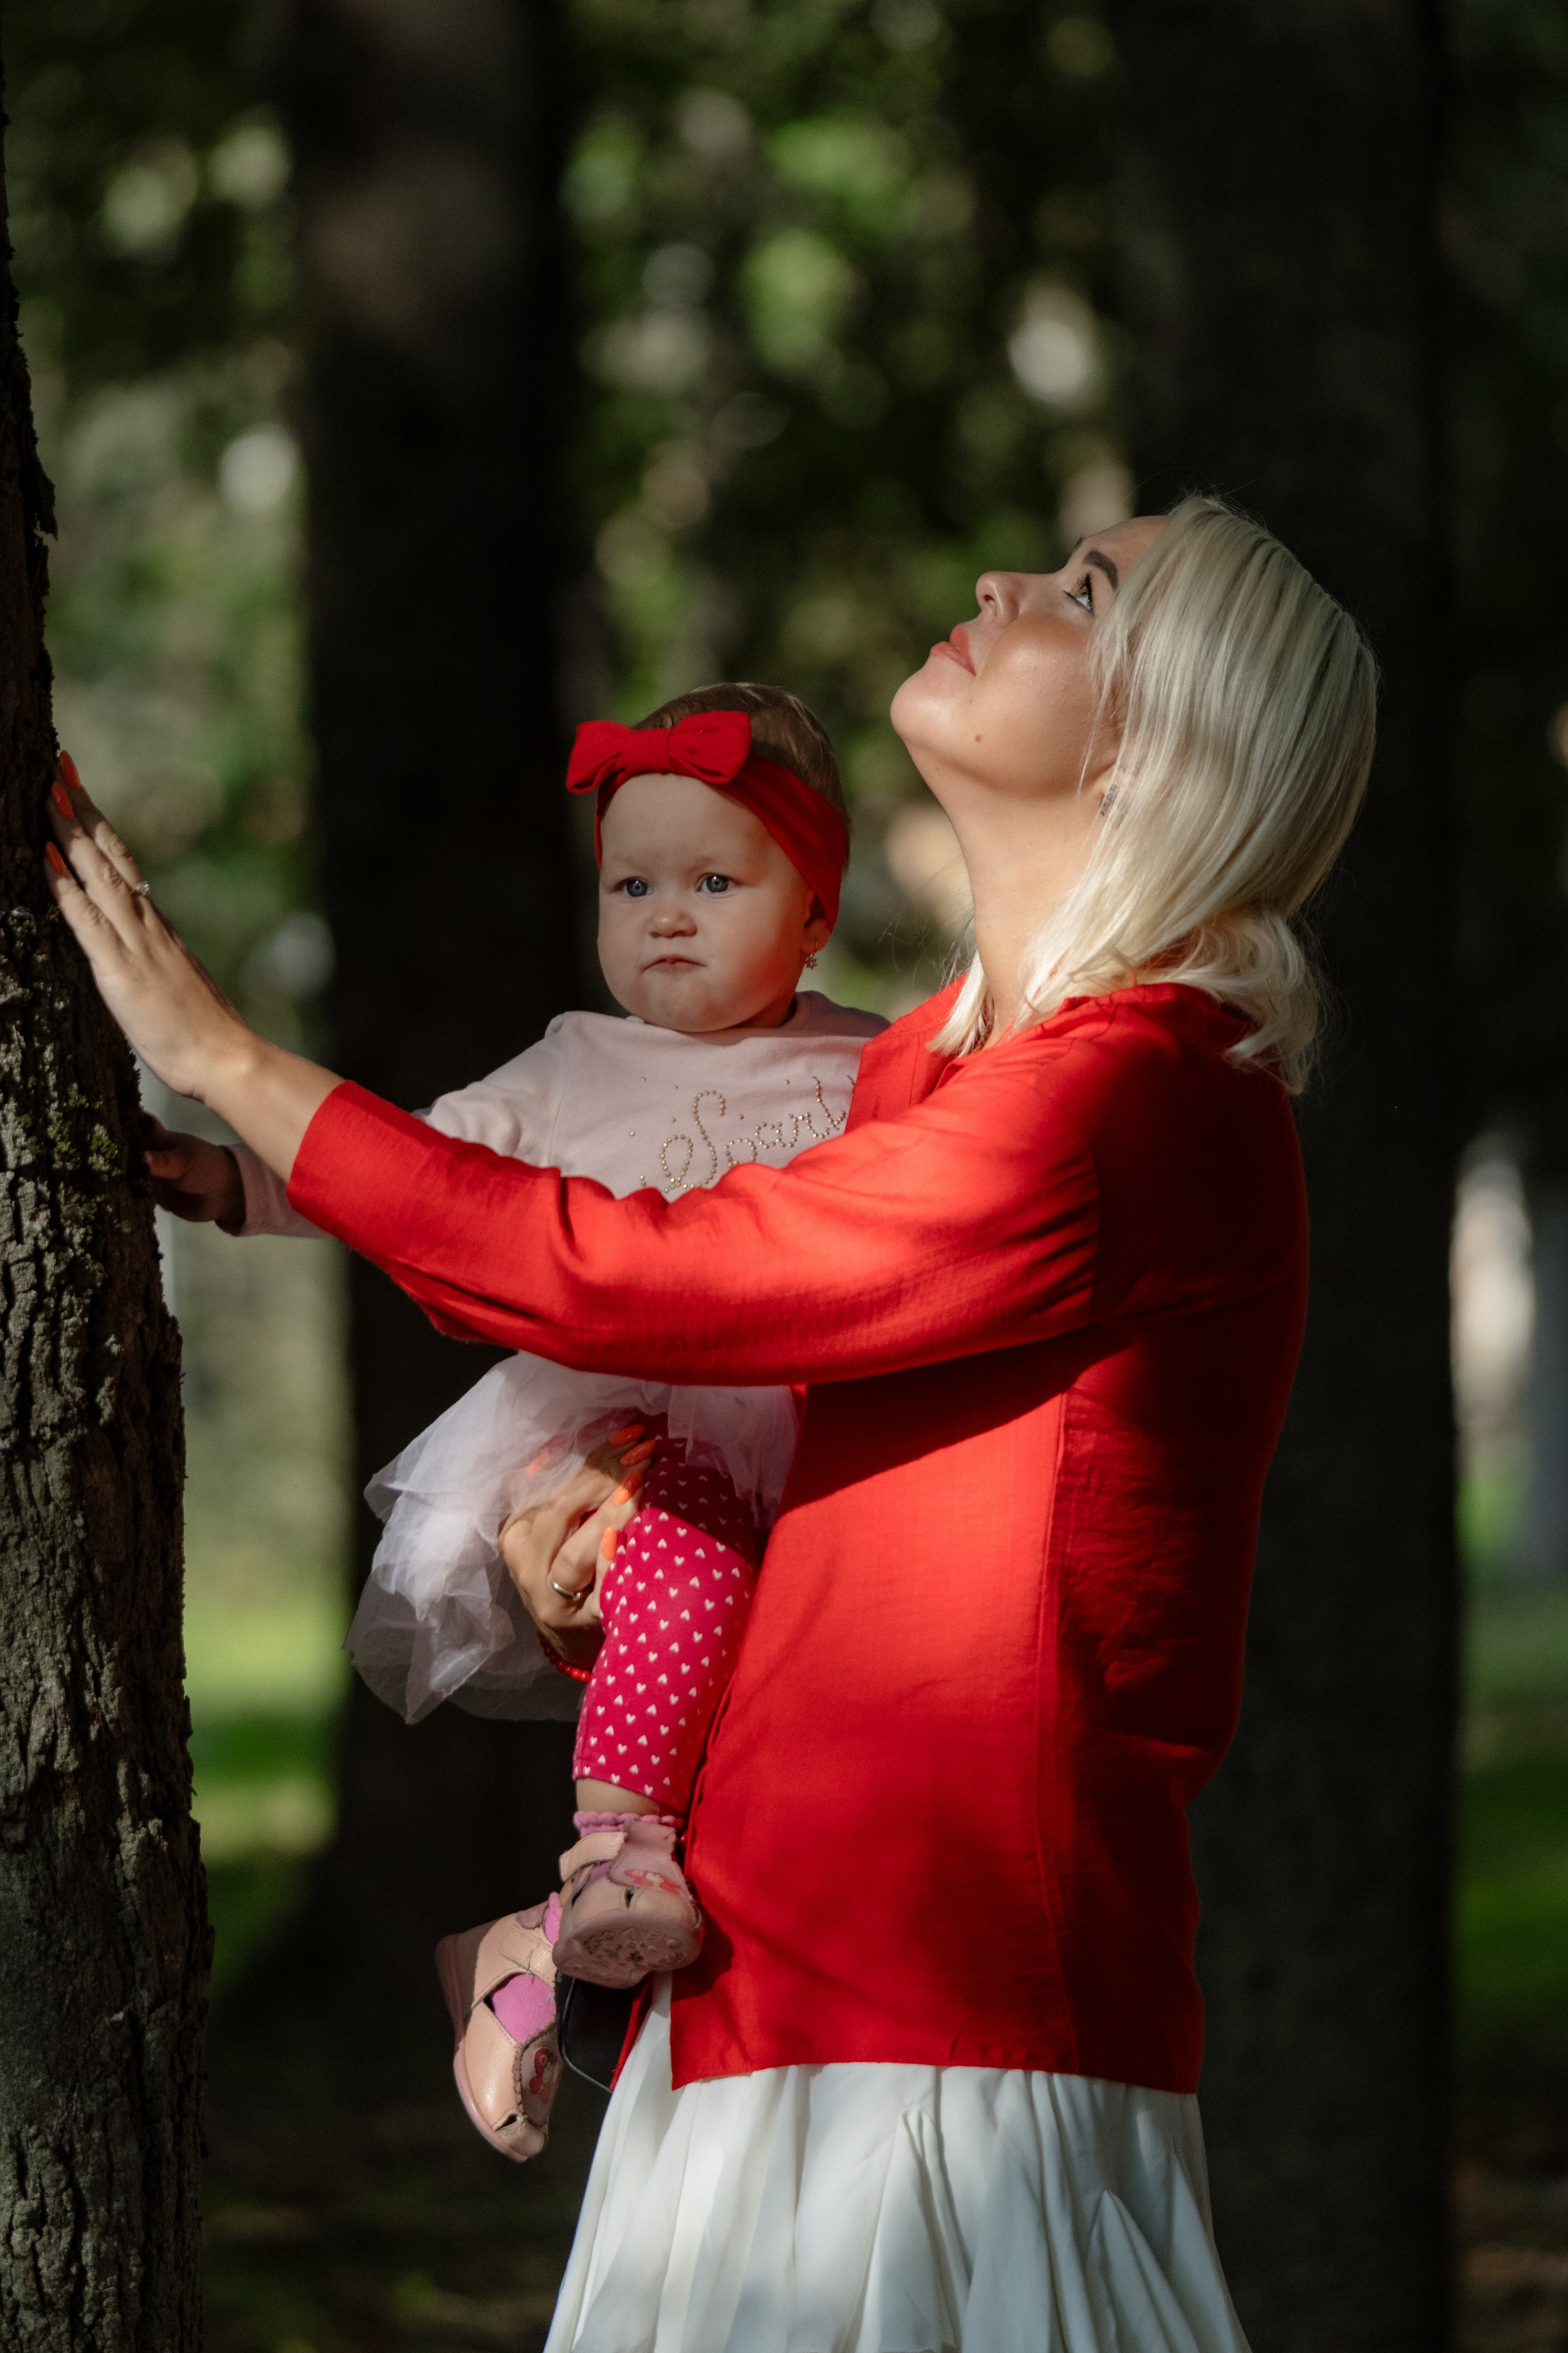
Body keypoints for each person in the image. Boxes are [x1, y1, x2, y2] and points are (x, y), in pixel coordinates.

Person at [46, 494, 1377, 2353]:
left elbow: (640, 1269)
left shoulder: (1133, 1096)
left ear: (1179, 737)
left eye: (1086, 592)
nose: (999, 580)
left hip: (946, 2067)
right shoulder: (923, 1078)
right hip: (759, 2022)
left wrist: (231, 1059)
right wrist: (583, 1533)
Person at [125, 681, 886, 2163]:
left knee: (786, 1730)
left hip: (822, 1450)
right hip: (627, 1443)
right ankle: (609, 1856)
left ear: (813, 915)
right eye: (632, 884)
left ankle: (526, 1958)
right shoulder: (567, 1065)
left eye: (716, 883)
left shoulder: (874, 1063)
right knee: (681, 1537)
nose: (666, 915)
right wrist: (234, 1183)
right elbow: (408, 1165)